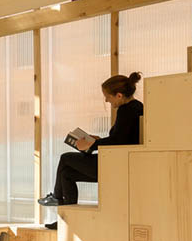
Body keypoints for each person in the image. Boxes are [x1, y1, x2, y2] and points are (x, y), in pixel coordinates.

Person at [38, 73, 143, 225]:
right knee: (66, 174)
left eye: (107, 97)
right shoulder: (137, 107)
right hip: (119, 161)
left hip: (114, 164)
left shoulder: (127, 110)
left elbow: (119, 141)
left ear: (119, 95)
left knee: (66, 158)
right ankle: (65, 221)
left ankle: (56, 197)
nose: (106, 100)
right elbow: (123, 138)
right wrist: (97, 141)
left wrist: (91, 145)